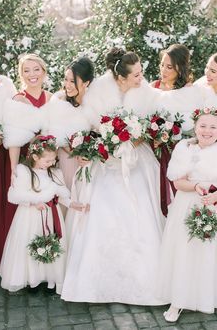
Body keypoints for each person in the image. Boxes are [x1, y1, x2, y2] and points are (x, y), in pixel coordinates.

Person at [61, 47, 165, 305]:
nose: (142, 78)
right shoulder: (97, 93)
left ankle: (143, 279)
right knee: (102, 208)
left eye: (142, 73)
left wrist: (135, 135)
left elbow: (152, 127)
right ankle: (96, 280)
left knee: (140, 206)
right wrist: (87, 148)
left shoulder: (149, 95)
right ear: (121, 77)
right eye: (137, 75)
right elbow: (86, 125)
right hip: (105, 160)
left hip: (136, 159)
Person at [156, 108, 217, 322]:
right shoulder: (184, 148)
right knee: (185, 249)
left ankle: (209, 295)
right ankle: (178, 300)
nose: (207, 131)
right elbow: (178, 182)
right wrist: (195, 186)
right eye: (203, 126)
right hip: (189, 202)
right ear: (195, 127)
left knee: (213, 251)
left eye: (213, 127)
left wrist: (216, 198)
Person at [0, 136, 70, 294]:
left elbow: (62, 193)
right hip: (29, 217)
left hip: (51, 215)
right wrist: (33, 202)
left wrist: (73, 204)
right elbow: (13, 196)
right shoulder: (23, 171)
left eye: (53, 160)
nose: (51, 164)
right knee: (31, 242)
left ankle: (50, 277)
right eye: (47, 161)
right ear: (35, 157)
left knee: (50, 242)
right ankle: (33, 279)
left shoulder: (55, 172)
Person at [150, 44, 206, 216]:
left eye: (169, 67)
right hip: (153, 150)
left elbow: (195, 124)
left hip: (179, 150)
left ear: (180, 69)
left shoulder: (191, 92)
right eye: (162, 65)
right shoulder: (153, 87)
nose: (163, 71)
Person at [3, 53, 52, 237]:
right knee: (27, 209)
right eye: (26, 70)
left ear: (44, 72)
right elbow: (14, 140)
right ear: (21, 75)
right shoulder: (18, 99)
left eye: (36, 69)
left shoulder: (51, 97)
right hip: (25, 161)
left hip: (47, 162)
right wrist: (14, 170)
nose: (32, 74)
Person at [45, 57, 94, 191]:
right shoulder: (59, 101)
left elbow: (99, 132)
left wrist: (90, 153)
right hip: (66, 157)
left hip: (91, 161)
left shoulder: (95, 102)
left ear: (86, 83)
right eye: (66, 79)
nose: (67, 85)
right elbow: (56, 135)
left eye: (73, 81)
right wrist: (75, 153)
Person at [0, 73, 17, 276]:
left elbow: (13, 120)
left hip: (1, 155)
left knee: (0, 203)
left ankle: (3, 258)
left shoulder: (5, 85)